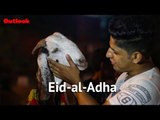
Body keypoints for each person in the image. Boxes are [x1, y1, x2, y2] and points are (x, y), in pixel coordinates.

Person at [48, 15, 160, 105]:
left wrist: (76, 83)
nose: (107, 54)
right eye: (109, 48)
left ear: (136, 57)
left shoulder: (142, 91)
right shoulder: (131, 73)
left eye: (115, 52)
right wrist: (71, 81)